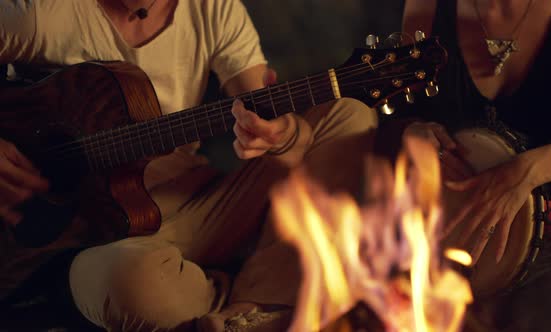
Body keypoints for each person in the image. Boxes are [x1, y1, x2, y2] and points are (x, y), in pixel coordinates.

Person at [0, 0, 377, 330]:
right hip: (103, 240)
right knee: (128, 283)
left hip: (201, 205)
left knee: (348, 116)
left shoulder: (216, 9)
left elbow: (275, 131)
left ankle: (255, 306)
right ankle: (239, 302)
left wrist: (283, 134)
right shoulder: (41, 15)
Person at [391, 0, 551, 328]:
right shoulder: (427, 7)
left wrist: (533, 168)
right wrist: (411, 132)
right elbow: (400, 110)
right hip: (440, 254)